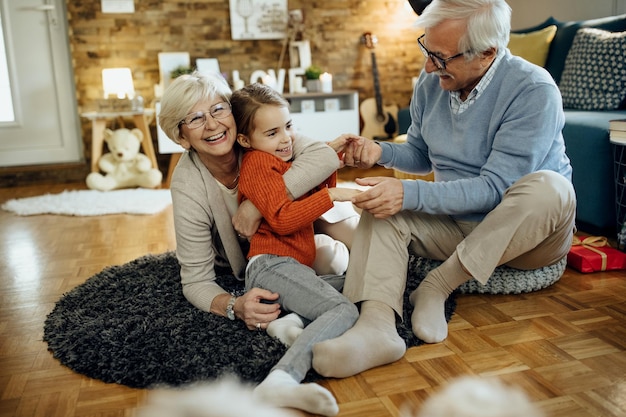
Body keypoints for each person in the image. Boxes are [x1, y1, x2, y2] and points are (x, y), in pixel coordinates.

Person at [312, 0, 576, 378]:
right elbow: (421, 153)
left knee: (550, 187)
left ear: (487, 53)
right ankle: (376, 327)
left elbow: (495, 189)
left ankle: (438, 284)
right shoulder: (432, 82)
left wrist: (409, 194)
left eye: (440, 57)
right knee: (382, 209)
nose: (427, 66)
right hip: (456, 223)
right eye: (427, 49)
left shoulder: (532, 90)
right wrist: (379, 151)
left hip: (526, 236)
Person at [158, 71, 358, 333]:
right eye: (196, 118)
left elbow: (322, 157)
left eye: (218, 109)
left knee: (366, 238)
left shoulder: (263, 133)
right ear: (182, 138)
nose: (212, 124)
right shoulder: (187, 185)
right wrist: (233, 305)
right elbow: (196, 282)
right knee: (324, 267)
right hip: (263, 256)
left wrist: (255, 206)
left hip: (306, 223)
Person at [229, 83, 361, 416]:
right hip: (270, 266)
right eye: (272, 132)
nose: (286, 138)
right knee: (344, 310)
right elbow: (283, 219)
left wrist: (332, 158)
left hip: (290, 268)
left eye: (288, 126)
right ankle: (280, 381)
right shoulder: (258, 163)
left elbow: (312, 188)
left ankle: (287, 321)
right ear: (246, 141)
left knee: (363, 284)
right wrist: (331, 197)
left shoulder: (280, 160)